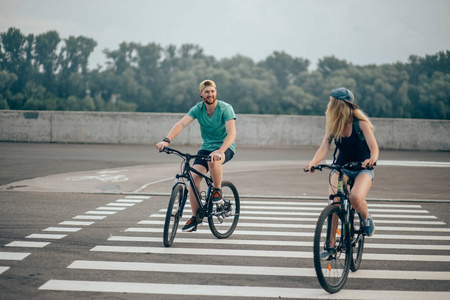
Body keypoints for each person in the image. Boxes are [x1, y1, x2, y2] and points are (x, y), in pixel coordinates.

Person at [304, 87, 379, 258]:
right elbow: (324, 147)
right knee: (334, 202)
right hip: (341, 167)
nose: (329, 104)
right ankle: (330, 246)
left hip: (362, 168)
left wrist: (372, 159)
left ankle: (366, 217)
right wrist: (313, 163)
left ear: (338, 104)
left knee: (355, 198)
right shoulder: (334, 125)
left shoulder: (361, 124)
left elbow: (374, 148)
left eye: (331, 101)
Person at [155, 79, 237, 232]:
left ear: (216, 92)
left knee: (214, 162)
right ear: (201, 94)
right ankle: (196, 216)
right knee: (193, 178)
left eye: (212, 91)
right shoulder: (198, 109)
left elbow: (232, 133)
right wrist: (167, 141)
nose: (210, 94)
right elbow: (181, 124)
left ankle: (217, 191)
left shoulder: (226, 108)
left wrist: (220, 151)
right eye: (206, 92)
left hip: (225, 147)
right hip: (206, 148)